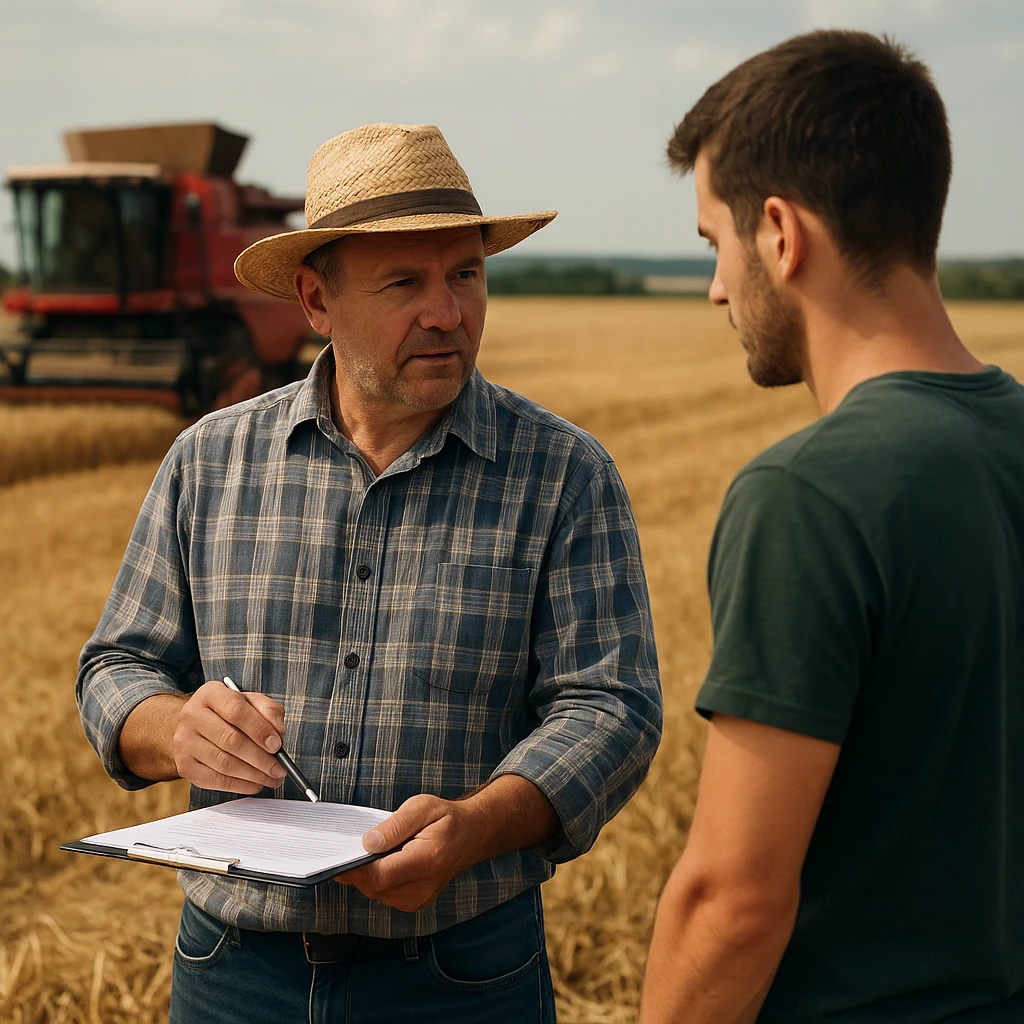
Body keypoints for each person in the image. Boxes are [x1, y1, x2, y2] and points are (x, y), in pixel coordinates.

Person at [77, 122, 662, 1024]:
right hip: (234, 972)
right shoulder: (209, 461)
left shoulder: (563, 474)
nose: (448, 312)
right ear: (316, 299)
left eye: (465, 274)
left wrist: (478, 827)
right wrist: (174, 730)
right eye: (405, 283)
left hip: (463, 976)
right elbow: (117, 668)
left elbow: (610, 706)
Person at [640, 30, 1024, 1024]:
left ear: (778, 232)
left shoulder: (810, 495)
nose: (718, 288)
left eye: (712, 246)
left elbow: (734, 900)